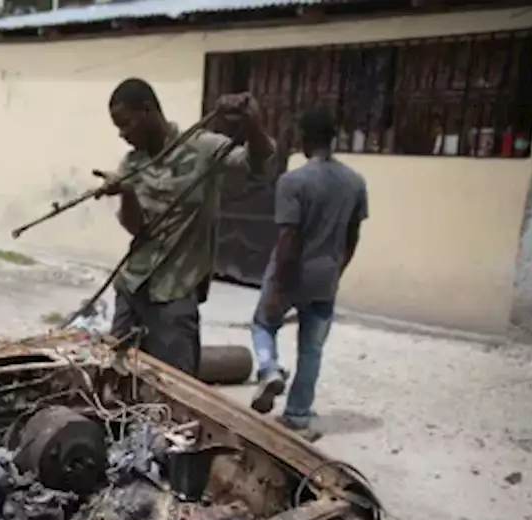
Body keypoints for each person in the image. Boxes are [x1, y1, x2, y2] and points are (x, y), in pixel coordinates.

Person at [98, 78, 274, 377]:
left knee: (175, 385)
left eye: (126, 124)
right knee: (115, 375)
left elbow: (257, 165)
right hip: (133, 286)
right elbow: (135, 228)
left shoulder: (202, 148)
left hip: (176, 291)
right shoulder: (132, 163)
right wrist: (126, 192)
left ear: (147, 111)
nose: (122, 135)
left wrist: (251, 121)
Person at [250, 107, 368, 440]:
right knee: (312, 349)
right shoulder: (355, 183)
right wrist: (336, 270)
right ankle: (298, 414)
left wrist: (278, 287)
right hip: (326, 275)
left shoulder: (293, 182)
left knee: (263, 323)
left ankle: (269, 369)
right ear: (333, 137)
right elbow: (352, 237)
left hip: (292, 271)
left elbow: (289, 239)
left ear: (303, 137)